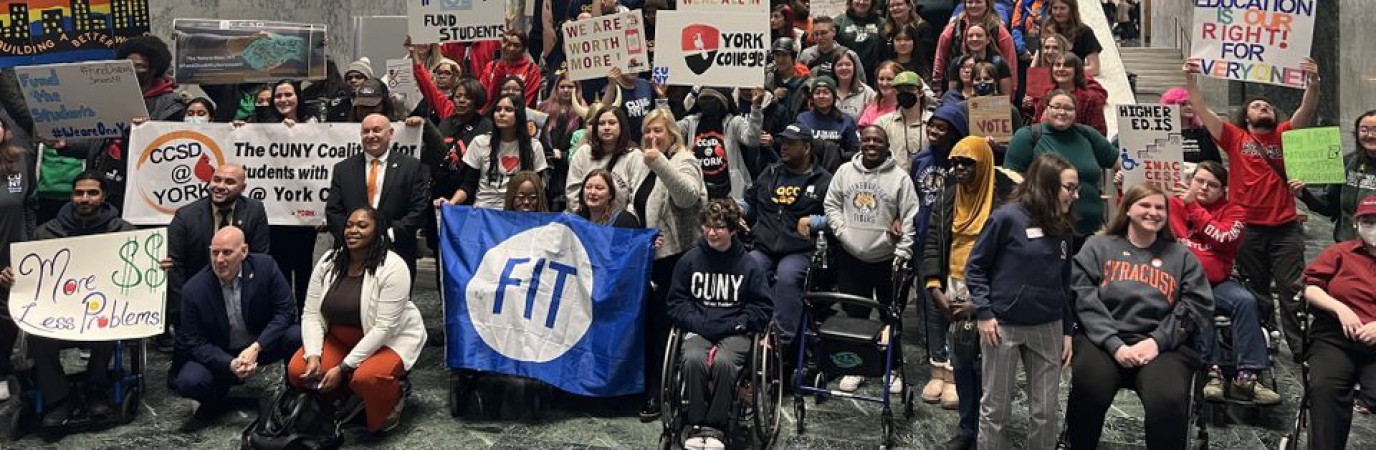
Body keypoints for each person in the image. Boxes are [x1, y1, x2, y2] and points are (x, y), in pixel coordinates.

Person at [1184, 56, 1320, 361]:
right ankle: (1265, 339)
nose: (1264, 108)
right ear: (1246, 116)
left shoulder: (1284, 134)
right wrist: (1192, 80)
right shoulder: (1234, 137)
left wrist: (1313, 82)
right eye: (1257, 106)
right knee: (1255, 289)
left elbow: (1307, 109)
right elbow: (1203, 111)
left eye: (1268, 106)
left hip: (1285, 228)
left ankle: (1300, 349)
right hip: (1247, 229)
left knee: (1291, 290)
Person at [1067, 183, 1214, 450]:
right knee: (1089, 388)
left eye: (1160, 207)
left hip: (1163, 346)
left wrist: (1157, 341)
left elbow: (1196, 304)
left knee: (1167, 399)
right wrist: (1114, 343)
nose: (1153, 212)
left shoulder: (1182, 257)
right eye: (1145, 205)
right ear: (1128, 210)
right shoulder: (1098, 247)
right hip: (1105, 341)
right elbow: (1083, 295)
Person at [963, 152, 1073, 450]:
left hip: (1048, 324)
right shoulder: (1006, 217)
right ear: (1047, 186)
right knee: (996, 409)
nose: (1075, 195)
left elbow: (1064, 281)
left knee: (1046, 412)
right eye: (1069, 188)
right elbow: (975, 267)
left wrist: (1067, 330)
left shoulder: (1062, 225)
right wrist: (984, 313)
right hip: (1002, 325)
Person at [289, 206, 428, 435]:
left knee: (367, 378)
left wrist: (343, 368)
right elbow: (311, 313)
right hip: (340, 338)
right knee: (299, 370)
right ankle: (345, 398)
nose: (353, 230)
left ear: (377, 232)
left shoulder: (393, 266)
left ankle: (393, 395)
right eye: (349, 225)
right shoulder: (329, 261)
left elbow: (384, 328)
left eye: (362, 226)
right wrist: (313, 354)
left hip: (386, 341)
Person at [24, 173, 133, 425]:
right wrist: (15, 275)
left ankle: (97, 389)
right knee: (37, 335)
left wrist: (155, 264)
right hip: (58, 311)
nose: (85, 198)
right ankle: (58, 398)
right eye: (79, 193)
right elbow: (31, 272)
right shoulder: (46, 233)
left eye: (92, 193)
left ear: (103, 196)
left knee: (107, 328)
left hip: (104, 309)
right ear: (72, 195)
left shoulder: (123, 231)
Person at [1169, 161, 1280, 404]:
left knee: (1245, 300)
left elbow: (1222, 238)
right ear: (1190, 180)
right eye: (1199, 181)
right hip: (1183, 284)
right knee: (1199, 302)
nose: (1204, 187)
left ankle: (1247, 376)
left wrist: (1193, 206)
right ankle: (1213, 371)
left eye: (1213, 185)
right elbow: (1136, 209)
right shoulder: (1171, 205)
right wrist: (1125, 185)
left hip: (1219, 282)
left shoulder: (1235, 212)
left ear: (1223, 191)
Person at [666, 199, 772, 450]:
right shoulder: (689, 261)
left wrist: (736, 325)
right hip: (698, 327)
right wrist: (697, 322)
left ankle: (717, 425)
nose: (712, 232)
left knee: (725, 363)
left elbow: (762, 307)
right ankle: (695, 422)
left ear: (733, 230)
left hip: (735, 329)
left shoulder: (749, 265)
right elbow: (676, 302)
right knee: (692, 359)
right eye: (708, 226)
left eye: (720, 227)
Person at [825, 125, 920, 392]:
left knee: (891, 316)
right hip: (851, 256)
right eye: (867, 140)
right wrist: (842, 232)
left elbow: (911, 216)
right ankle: (857, 367)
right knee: (855, 315)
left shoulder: (900, 178)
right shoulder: (845, 172)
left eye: (877, 140)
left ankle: (892, 368)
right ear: (860, 144)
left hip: (888, 259)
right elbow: (831, 204)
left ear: (887, 145)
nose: (871, 144)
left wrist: (902, 252)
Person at [175, 227, 300, 418]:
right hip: (222, 351)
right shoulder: (193, 289)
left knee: (297, 335)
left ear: (244, 251)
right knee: (189, 381)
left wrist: (257, 347)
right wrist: (229, 363)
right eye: (215, 253)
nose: (219, 260)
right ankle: (217, 393)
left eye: (227, 252)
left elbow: (286, 311)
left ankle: (294, 394)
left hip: (261, 344)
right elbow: (193, 341)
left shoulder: (266, 267)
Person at [636, 109, 708, 420]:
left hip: (678, 259)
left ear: (672, 135)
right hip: (646, 258)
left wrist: (660, 162)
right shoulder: (643, 164)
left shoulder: (684, 160)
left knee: (661, 324)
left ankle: (659, 389)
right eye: (648, 131)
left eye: (659, 132)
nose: (653, 137)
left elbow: (688, 197)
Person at [56, 35, 184, 210]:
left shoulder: (171, 105)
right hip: (105, 183)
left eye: (139, 66)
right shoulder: (109, 99)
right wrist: (66, 144)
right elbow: (96, 141)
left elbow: (170, 147)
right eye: (127, 65)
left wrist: (142, 131)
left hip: (143, 187)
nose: (132, 70)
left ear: (154, 69)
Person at [167, 163, 272, 376]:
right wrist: (184, 313)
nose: (220, 186)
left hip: (242, 295)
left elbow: (261, 258)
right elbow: (175, 268)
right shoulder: (184, 217)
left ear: (243, 188)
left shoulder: (255, 210)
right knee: (187, 380)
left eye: (229, 182)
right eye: (217, 180)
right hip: (200, 301)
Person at [746, 123, 833, 347]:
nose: (783, 147)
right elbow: (750, 202)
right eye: (782, 142)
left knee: (786, 276)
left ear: (806, 148)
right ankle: (748, 331)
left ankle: (780, 342)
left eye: (791, 144)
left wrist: (816, 221)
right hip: (764, 246)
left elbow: (838, 219)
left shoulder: (824, 180)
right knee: (750, 268)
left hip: (800, 249)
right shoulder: (770, 172)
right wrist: (736, 211)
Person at [1300, 195, 1376, 450]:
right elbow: (1310, 287)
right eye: (1368, 221)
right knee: (1325, 390)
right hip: (1335, 339)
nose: (1373, 227)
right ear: (1356, 224)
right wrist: (1340, 308)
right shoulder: (1339, 253)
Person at [910, 102, 972, 410]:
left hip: (957, 245)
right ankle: (935, 366)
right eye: (931, 126)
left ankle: (954, 374)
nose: (934, 131)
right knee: (931, 305)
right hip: (925, 240)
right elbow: (911, 196)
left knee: (954, 307)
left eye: (942, 127)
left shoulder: (963, 164)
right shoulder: (920, 160)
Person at [1005, 89, 1118, 244]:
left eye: (1068, 108)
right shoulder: (1027, 136)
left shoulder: (1088, 135)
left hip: (1090, 232)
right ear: (1046, 108)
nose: (1062, 112)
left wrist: (1125, 174)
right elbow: (1011, 180)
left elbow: (1122, 162)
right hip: (1044, 231)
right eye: (1056, 107)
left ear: (1076, 112)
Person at [325, 114, 430, 278]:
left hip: (397, 250)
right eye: (366, 131)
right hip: (353, 255)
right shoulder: (343, 169)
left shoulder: (411, 167)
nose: (371, 136)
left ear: (390, 133)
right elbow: (333, 211)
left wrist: (388, 235)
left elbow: (419, 209)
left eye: (377, 130)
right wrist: (354, 236)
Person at [444, 94, 549, 209]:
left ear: (519, 115)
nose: (501, 114)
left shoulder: (534, 146)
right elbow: (468, 185)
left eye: (508, 110)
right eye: (498, 110)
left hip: (518, 212)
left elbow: (537, 189)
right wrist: (451, 203)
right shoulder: (480, 142)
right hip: (484, 211)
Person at [0, 117, 36, 401]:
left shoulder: (21, 161)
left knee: (8, 316)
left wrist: (30, 247)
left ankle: (3, 367)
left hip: (13, 254)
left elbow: (29, 205)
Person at [1301, 110, 1376, 243]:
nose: (1370, 135)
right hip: (1348, 246)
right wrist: (1302, 192)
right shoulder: (1347, 163)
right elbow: (1329, 205)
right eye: (1364, 130)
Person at [679, 88, 764, 200]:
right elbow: (669, 130)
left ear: (721, 102)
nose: (707, 102)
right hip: (698, 192)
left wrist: (755, 109)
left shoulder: (734, 122)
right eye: (703, 99)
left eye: (711, 99)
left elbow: (752, 139)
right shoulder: (691, 122)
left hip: (728, 192)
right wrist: (662, 100)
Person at [565, 106, 648, 210]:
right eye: (601, 123)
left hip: (620, 222)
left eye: (612, 123)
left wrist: (623, 221)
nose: (606, 127)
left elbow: (636, 198)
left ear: (622, 127)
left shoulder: (634, 156)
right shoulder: (583, 153)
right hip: (584, 221)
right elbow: (572, 192)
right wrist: (584, 219)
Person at [933, 0, 1018, 93]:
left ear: (987, 4)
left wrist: (1012, 91)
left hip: (993, 93)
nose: (973, 5)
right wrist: (937, 86)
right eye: (970, 2)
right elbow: (940, 57)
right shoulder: (953, 28)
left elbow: (1010, 62)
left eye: (978, 2)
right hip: (960, 90)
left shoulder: (999, 30)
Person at [1024, 53, 1107, 136]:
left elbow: (1098, 133)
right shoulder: (1047, 93)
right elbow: (1036, 124)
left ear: (1076, 70)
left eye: (1067, 66)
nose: (1061, 69)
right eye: (1057, 65)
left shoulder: (1090, 99)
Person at [874, 71, 932, 173]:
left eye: (910, 89)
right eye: (900, 90)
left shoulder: (933, 122)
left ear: (921, 92)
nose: (905, 93)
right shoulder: (882, 123)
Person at [946, 23, 1014, 99]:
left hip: (994, 107)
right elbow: (952, 95)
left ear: (988, 40)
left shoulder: (999, 63)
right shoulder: (957, 63)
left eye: (979, 35)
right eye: (970, 36)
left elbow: (1006, 97)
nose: (974, 39)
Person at [798, 77, 860, 159]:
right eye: (817, 93)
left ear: (834, 97)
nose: (821, 96)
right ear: (812, 97)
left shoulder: (846, 120)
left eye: (826, 93)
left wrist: (836, 153)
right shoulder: (802, 118)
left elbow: (855, 152)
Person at [480, 30, 542, 110]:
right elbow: (484, 97)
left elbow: (528, 101)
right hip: (493, 114)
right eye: (508, 44)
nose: (511, 48)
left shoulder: (532, 70)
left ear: (524, 48)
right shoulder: (491, 67)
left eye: (516, 45)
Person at [1159, 87, 1222, 165]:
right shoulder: (1161, 134)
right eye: (1183, 104)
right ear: (1170, 107)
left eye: (1191, 104)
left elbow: (1214, 162)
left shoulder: (1203, 132)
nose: (1189, 107)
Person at [1041, 0, 1101, 76]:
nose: (1058, 12)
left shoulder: (1085, 32)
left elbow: (1094, 68)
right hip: (1046, 79)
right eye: (1055, 8)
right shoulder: (1046, 28)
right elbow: (1039, 58)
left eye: (1062, 8)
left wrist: (1064, 72)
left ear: (1072, 10)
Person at [884, 0, 937, 79]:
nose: (895, 8)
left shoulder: (923, 28)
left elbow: (926, 57)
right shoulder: (884, 30)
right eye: (891, 6)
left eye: (899, 4)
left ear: (909, 6)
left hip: (918, 71)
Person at [835, 0, 885, 82]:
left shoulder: (882, 23)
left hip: (874, 77)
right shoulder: (839, 22)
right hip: (845, 74)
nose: (861, 2)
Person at [575, 169, 642, 228]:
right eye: (588, 187)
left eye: (599, 188)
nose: (592, 192)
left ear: (610, 194)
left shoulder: (625, 220)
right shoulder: (578, 218)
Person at [798, 17, 858, 81]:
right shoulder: (806, 55)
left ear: (834, 32)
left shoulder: (850, 55)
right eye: (816, 34)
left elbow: (859, 84)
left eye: (824, 33)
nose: (819, 37)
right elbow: (799, 81)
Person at [858, 61, 905, 127]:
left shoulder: (907, 108)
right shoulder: (872, 108)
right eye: (881, 79)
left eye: (889, 79)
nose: (884, 83)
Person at [835, 52, 877, 121]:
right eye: (839, 65)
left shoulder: (867, 92)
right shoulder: (828, 91)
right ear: (834, 68)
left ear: (854, 67)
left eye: (848, 64)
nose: (844, 68)